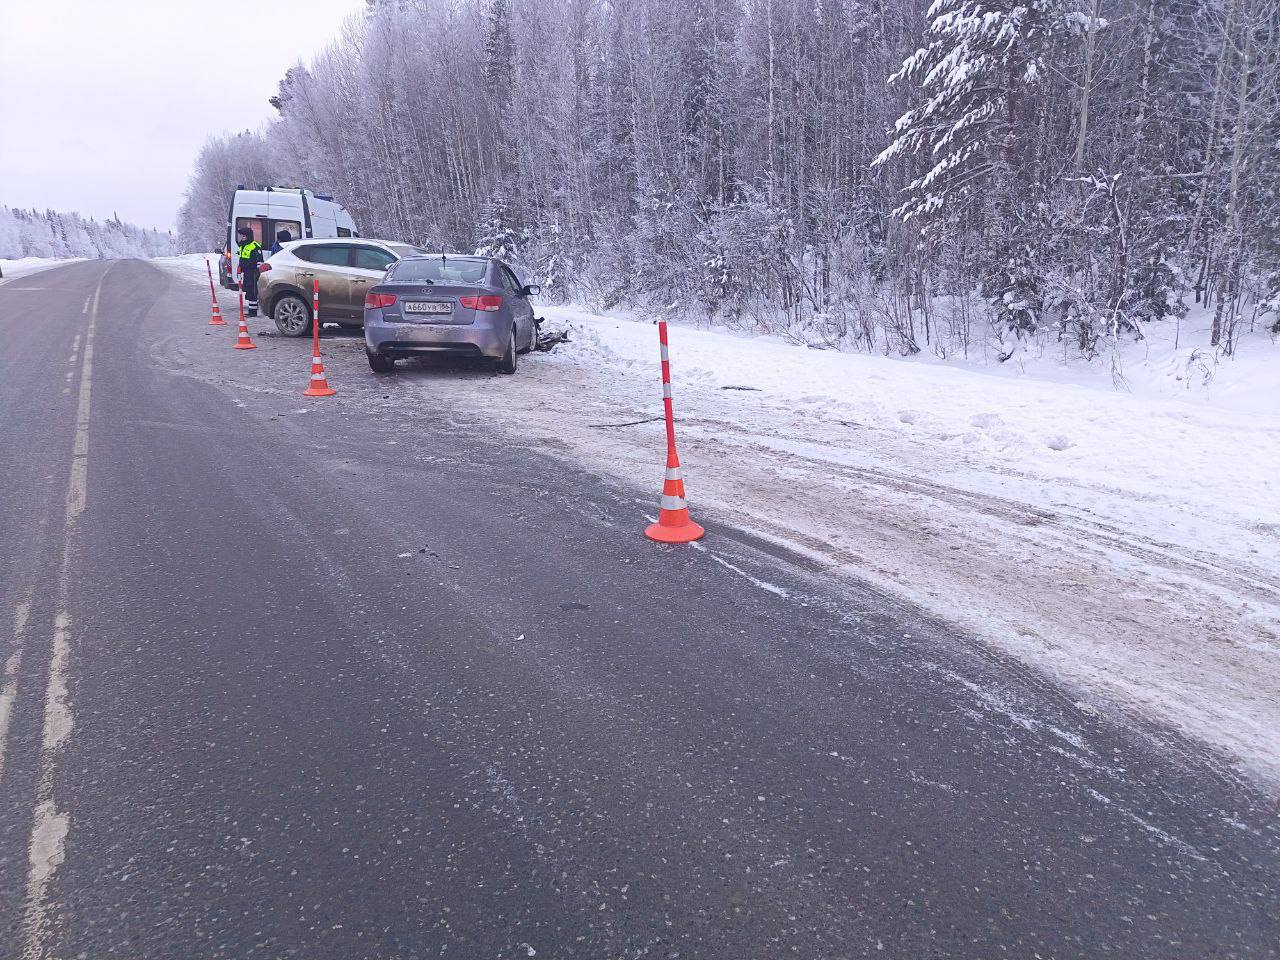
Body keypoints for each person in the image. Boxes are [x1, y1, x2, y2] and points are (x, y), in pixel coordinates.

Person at [236, 227, 264, 316]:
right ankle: (251, 310)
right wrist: (240, 268)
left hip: (253, 272)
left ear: (248, 236)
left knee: (253, 291)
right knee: (248, 290)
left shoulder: (255, 246)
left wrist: (257, 272)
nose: (242, 238)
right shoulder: (243, 246)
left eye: (244, 236)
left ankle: (253, 312)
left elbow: (260, 261)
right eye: (241, 236)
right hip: (246, 272)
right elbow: (242, 258)